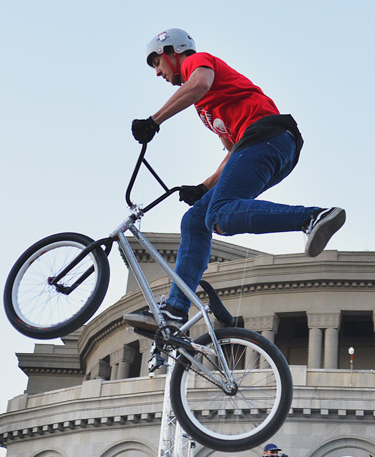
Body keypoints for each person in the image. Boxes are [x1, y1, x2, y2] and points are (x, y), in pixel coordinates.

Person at [124, 28, 346, 331]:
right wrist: (204, 186)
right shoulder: (205, 110)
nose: (158, 73)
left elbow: (199, 84)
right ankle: (176, 309)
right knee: (195, 220)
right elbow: (232, 153)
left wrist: (154, 121)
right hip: (266, 147)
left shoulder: (196, 63)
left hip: (268, 137)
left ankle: (313, 217)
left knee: (221, 214)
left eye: (157, 63)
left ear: (172, 52)